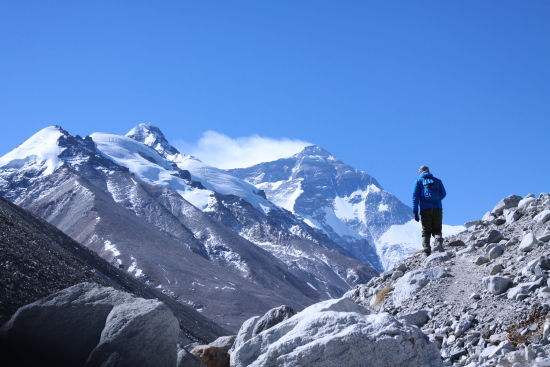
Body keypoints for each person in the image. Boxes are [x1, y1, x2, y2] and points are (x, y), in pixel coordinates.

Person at [413, 165, 446, 256]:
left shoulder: (418, 181)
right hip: (437, 208)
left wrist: (415, 211)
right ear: (428, 171)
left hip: (425, 209)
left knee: (426, 230)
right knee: (437, 229)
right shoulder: (437, 181)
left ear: (420, 172)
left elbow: (415, 197)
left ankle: (427, 250)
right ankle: (439, 243)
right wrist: (436, 200)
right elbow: (444, 193)